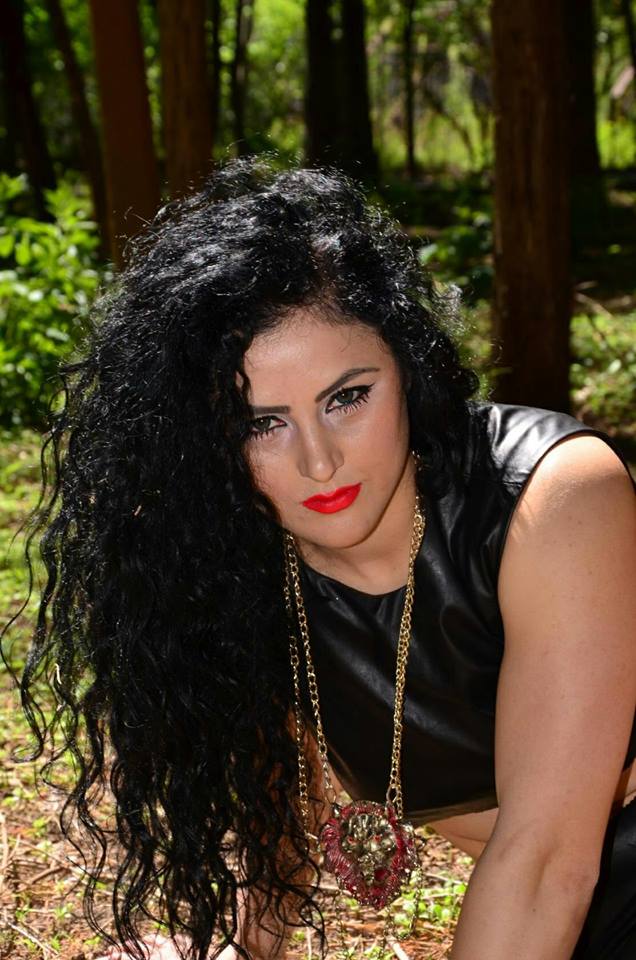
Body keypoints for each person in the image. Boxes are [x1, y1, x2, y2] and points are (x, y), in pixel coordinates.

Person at [3, 155, 635, 960]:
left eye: (348, 397)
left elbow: (546, 866)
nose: (320, 462)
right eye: (263, 423)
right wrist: (240, 951)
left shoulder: (552, 495)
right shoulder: (235, 559)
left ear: (409, 367)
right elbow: (279, 814)